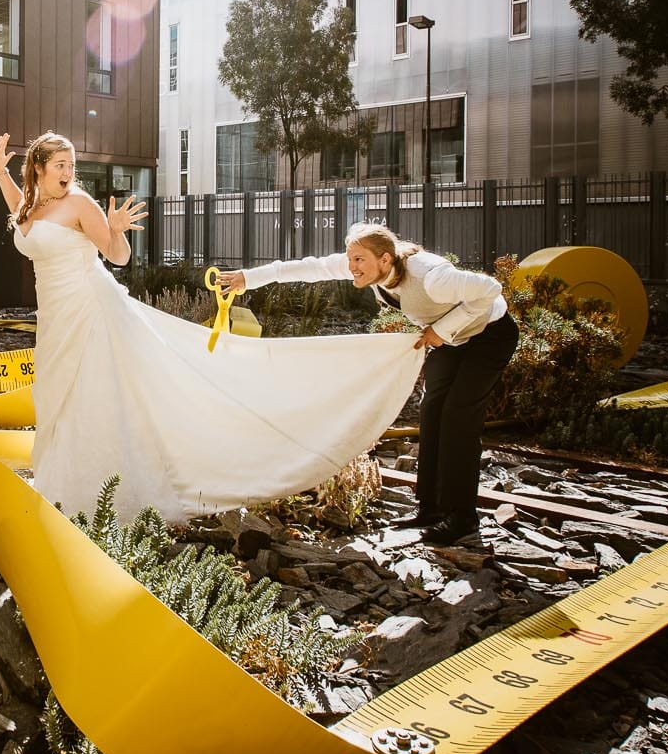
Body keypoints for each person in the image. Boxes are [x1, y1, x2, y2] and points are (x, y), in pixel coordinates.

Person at [0, 131, 425, 525]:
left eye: (71, 164)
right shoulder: (33, 203)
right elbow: (22, 217)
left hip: (89, 308)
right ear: (39, 169)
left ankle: (98, 495)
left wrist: (118, 230)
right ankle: (62, 483)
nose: (68, 172)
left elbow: (117, 257)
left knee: (95, 394)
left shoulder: (80, 203)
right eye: (60, 165)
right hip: (55, 317)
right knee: (56, 392)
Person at [219, 223, 518, 546]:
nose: (352, 267)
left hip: (489, 336)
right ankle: (431, 509)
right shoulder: (370, 265)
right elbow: (312, 267)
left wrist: (443, 329)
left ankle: (463, 517)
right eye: (350, 259)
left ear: (385, 259)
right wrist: (247, 278)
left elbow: (491, 289)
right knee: (432, 412)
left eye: (359, 260)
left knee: (458, 416)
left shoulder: (433, 277)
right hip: (450, 340)